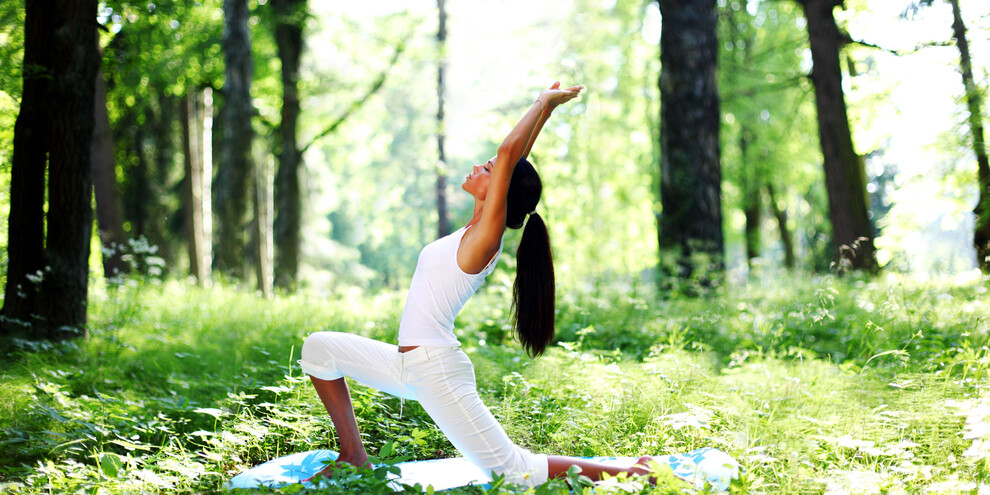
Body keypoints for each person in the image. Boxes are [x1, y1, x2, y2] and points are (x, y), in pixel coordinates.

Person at [298, 82, 653, 487]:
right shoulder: (473, 229)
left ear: (499, 188)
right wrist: (546, 112)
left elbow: (507, 157)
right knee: (319, 348)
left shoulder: (486, 237)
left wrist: (541, 101)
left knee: (514, 473)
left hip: (436, 371)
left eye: (487, 170)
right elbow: (515, 160)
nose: (480, 167)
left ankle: (633, 471)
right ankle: (353, 455)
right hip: (406, 365)